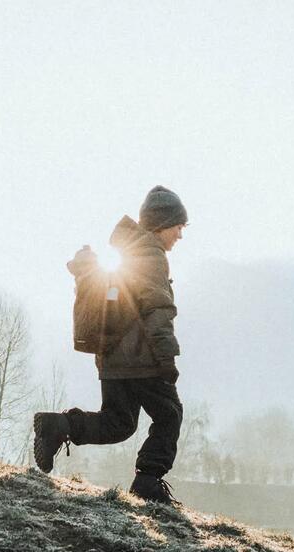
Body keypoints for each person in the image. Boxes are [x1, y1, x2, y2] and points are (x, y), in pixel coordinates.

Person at [32, 186, 190, 504]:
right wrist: (167, 358)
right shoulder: (152, 256)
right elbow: (158, 310)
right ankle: (148, 481)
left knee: (118, 423)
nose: (180, 236)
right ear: (162, 223)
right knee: (170, 414)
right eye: (179, 227)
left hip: (113, 359)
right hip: (141, 359)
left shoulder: (130, 253)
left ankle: (58, 425)